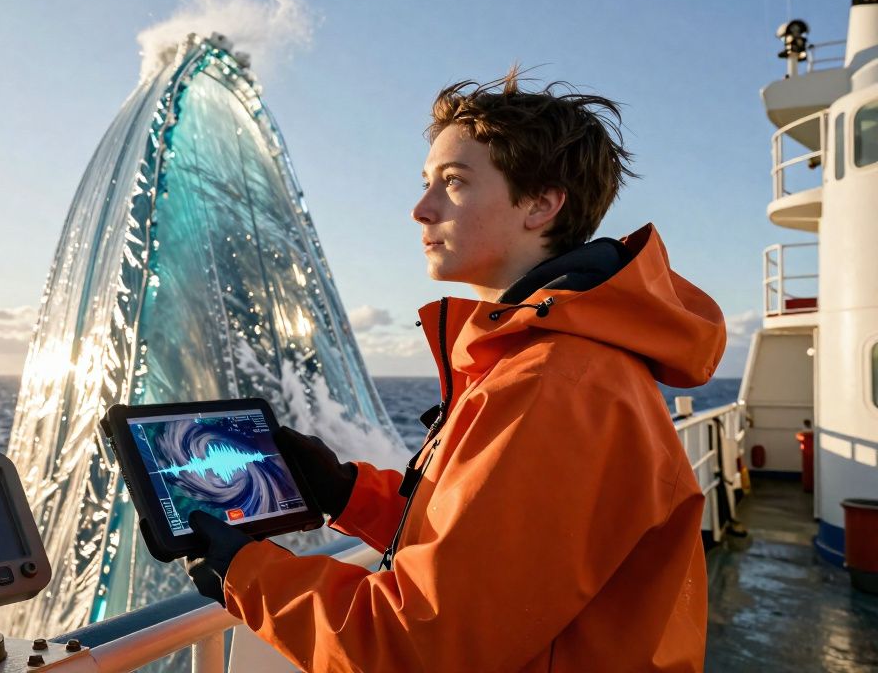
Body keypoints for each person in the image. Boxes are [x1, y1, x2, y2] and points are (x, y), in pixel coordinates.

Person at [184, 71, 726, 672]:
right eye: (426, 183)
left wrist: (245, 574)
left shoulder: (556, 384)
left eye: (454, 183)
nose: (421, 209)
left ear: (542, 204)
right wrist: (346, 492)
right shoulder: (548, 361)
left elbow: (424, 647)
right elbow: (490, 552)